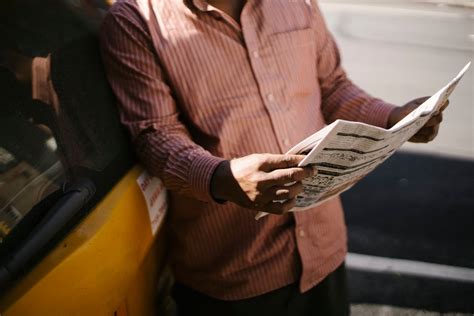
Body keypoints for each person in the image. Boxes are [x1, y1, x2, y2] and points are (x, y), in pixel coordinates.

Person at [99, 1, 446, 315]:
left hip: (324, 250)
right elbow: (155, 136)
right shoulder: (135, 20)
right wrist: (224, 178)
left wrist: (395, 118)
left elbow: (333, 86)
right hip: (232, 272)